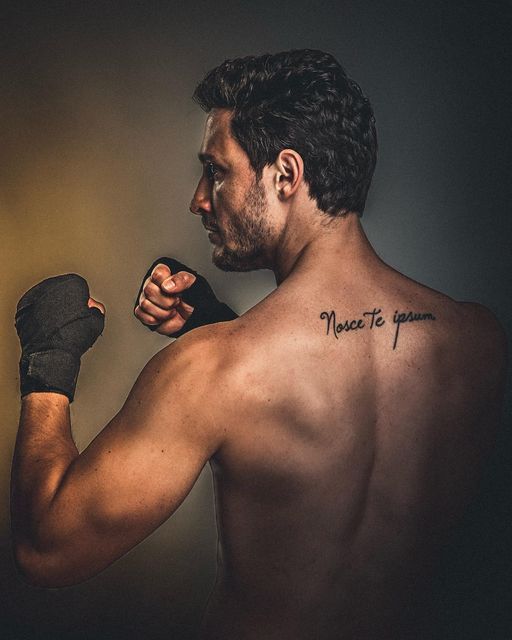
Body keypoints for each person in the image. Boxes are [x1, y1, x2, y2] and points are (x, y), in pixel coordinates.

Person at [11, 50, 507, 639]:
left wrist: (50, 359)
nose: (199, 198)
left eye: (216, 171)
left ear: (286, 175)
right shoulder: (479, 341)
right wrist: (216, 324)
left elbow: (48, 550)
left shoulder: (217, 369)